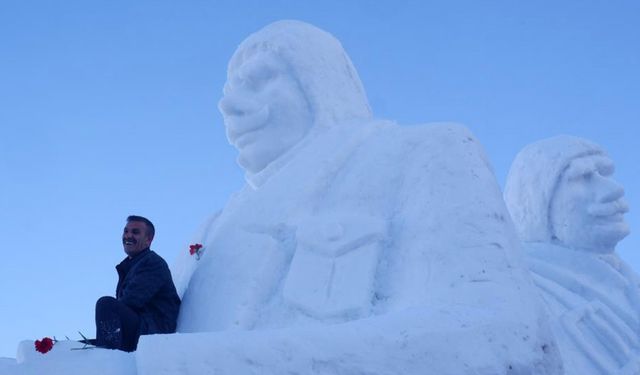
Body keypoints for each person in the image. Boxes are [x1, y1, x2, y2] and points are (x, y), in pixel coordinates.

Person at [155, 20, 561, 374]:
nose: (229, 105)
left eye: (260, 80)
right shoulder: (210, 231)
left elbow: (502, 337)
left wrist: (170, 367)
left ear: (319, 83)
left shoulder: (423, 153)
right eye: (229, 93)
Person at [504, 135, 640, 374]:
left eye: (604, 175)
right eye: (583, 178)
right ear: (538, 204)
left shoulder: (628, 282)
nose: (615, 190)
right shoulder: (519, 291)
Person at [94, 215, 181, 352]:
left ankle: (109, 356)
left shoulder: (153, 262)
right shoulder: (131, 266)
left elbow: (132, 300)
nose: (128, 236)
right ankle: (106, 350)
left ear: (148, 239)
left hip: (152, 332)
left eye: (135, 232)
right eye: (126, 231)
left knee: (106, 304)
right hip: (139, 328)